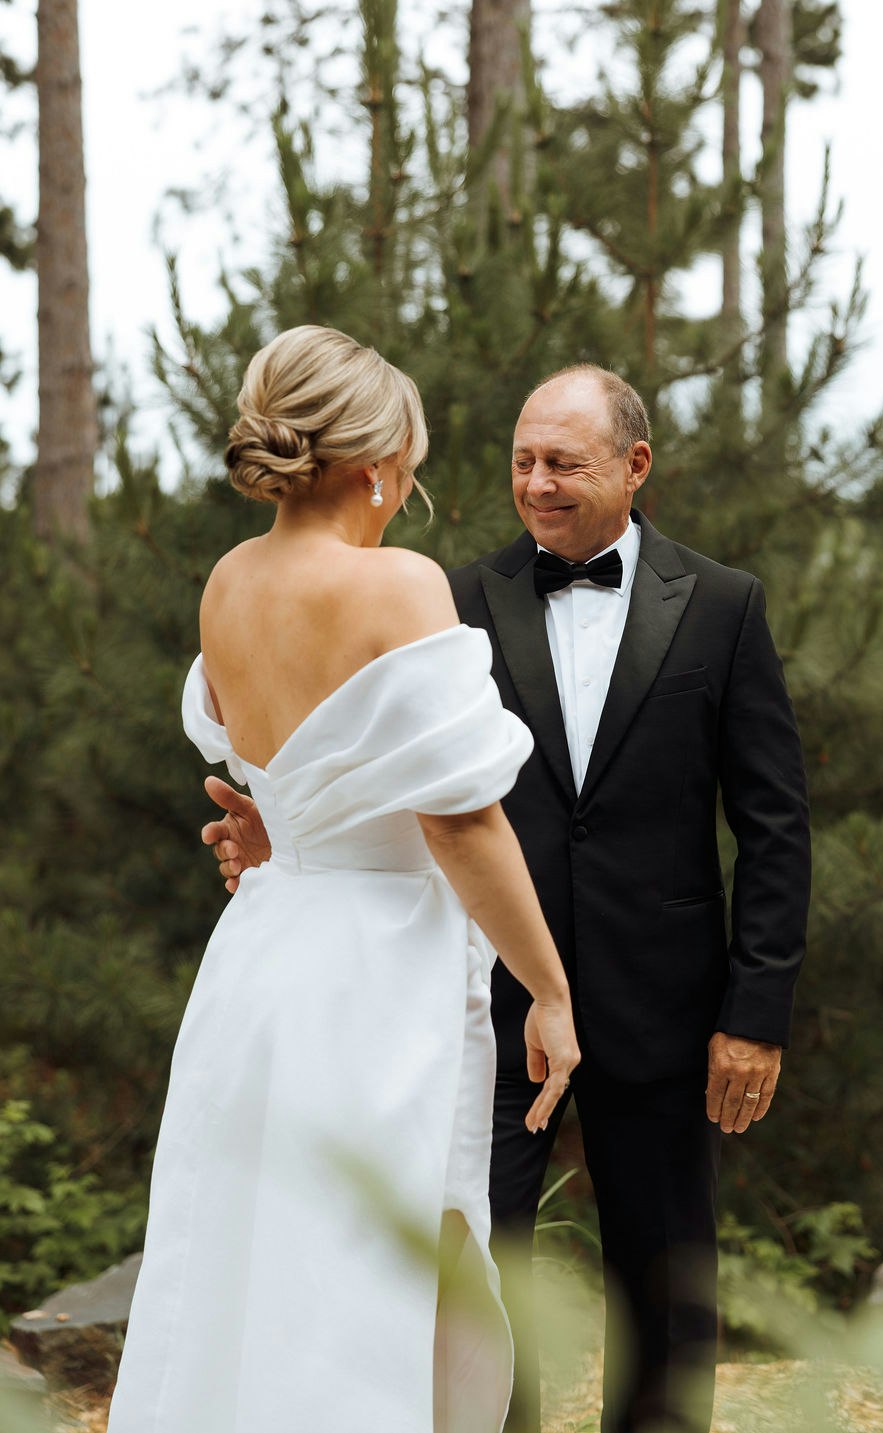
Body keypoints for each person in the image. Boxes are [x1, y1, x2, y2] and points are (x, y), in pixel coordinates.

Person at [205, 365, 812, 1433]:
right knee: (472, 1268)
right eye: (523, 461)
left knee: (667, 1275)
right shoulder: (450, 595)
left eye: (563, 463)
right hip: (475, 997)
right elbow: (405, 787)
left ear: (635, 464)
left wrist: (753, 1012)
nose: (536, 483)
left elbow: (773, 824)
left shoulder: (724, 606)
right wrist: (287, 830)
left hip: (662, 1000)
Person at [107, 325, 579, 1433]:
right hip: (375, 975)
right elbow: (459, 820)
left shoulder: (229, 581)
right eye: (410, 463)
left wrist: (278, 834)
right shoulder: (398, 583)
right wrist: (549, 988)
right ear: (376, 463)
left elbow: (293, 779)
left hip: (262, 957)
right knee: (359, 1268)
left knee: (251, 1255)